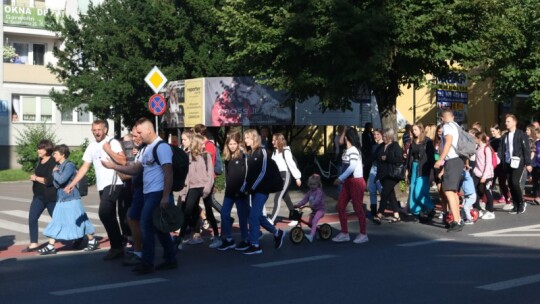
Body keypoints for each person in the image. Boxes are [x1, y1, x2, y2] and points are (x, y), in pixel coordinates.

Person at [102, 118, 177, 274]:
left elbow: (168, 172)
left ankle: (147, 263)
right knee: (159, 227)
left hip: (157, 193)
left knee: (146, 224)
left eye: (140, 132)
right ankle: (170, 259)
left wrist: (165, 196)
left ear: (149, 131)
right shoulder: (146, 149)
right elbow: (136, 170)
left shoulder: (161, 147)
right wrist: (113, 166)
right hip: (147, 193)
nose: (139, 135)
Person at [66, 119, 126, 260]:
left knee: (104, 213)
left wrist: (108, 150)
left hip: (114, 183)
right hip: (102, 185)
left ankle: (117, 246)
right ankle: (117, 247)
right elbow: (84, 167)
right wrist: (73, 183)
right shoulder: (92, 146)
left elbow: (123, 161)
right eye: (94, 130)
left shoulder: (112, 142)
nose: (96, 132)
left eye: (99, 129)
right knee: (109, 215)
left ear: (105, 130)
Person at [38, 145, 98, 255]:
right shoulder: (58, 166)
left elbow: (60, 180)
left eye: (55, 153)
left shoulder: (69, 165)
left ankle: (92, 240)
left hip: (71, 198)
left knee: (82, 220)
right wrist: (56, 174)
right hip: (61, 198)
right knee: (57, 220)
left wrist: (55, 173)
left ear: (63, 155)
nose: (53, 155)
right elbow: (56, 184)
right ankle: (51, 245)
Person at [241, 129, 286, 255]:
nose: (245, 140)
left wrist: (252, 187)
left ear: (254, 138)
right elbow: (248, 174)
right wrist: (244, 187)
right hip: (255, 190)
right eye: (245, 138)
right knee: (258, 216)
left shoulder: (263, 152)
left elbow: (263, 172)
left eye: (247, 138)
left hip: (262, 189)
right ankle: (277, 232)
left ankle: (255, 245)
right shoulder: (251, 153)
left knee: (253, 216)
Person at [177, 135, 217, 248]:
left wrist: (207, 188)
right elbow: (187, 176)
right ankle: (180, 239)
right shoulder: (188, 155)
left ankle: (217, 237)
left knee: (209, 212)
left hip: (205, 187)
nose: (204, 145)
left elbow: (210, 174)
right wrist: (184, 192)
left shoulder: (206, 155)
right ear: (197, 144)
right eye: (202, 143)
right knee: (187, 212)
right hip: (193, 188)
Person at [332, 128, 368, 243]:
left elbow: (352, 167)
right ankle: (344, 233)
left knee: (358, 208)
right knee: (341, 206)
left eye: (343, 135)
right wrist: (343, 179)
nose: (341, 137)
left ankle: (363, 234)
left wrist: (340, 178)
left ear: (347, 137)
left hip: (356, 182)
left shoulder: (353, 150)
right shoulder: (348, 150)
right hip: (348, 182)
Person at [218, 130, 251, 251]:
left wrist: (243, 190)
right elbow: (227, 174)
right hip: (230, 192)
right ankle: (228, 239)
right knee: (224, 213)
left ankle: (245, 239)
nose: (231, 146)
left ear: (238, 143)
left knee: (242, 216)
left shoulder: (243, 156)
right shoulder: (227, 157)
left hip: (241, 192)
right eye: (229, 144)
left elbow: (247, 175)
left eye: (234, 144)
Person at [22, 140, 57, 252]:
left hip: (51, 197)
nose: (38, 150)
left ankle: (78, 237)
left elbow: (50, 180)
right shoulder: (40, 160)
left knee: (59, 220)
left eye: (40, 148)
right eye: (38, 148)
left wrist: (35, 178)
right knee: (32, 218)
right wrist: (36, 177)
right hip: (38, 196)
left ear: (47, 150)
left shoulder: (53, 162)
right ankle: (34, 243)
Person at [434, 109, 465, 232]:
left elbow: (448, 142)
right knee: (452, 191)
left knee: (448, 191)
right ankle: (458, 219)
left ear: (442, 118)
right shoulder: (457, 126)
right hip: (457, 160)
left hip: (452, 160)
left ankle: (456, 221)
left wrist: (440, 160)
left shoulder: (447, 127)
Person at [497, 114, 532, 214]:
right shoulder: (505, 136)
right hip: (507, 162)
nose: (506, 123)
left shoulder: (521, 134)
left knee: (515, 182)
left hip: (518, 162)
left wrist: (528, 163)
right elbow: (501, 150)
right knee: (510, 184)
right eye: (506, 121)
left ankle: (521, 203)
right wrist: (498, 159)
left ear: (514, 122)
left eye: (508, 121)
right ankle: (515, 205)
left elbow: (526, 149)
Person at [405, 123, 435, 220]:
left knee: (419, 192)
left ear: (421, 130)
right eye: (412, 130)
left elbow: (431, 158)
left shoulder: (427, 142)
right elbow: (410, 157)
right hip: (414, 167)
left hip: (423, 168)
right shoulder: (413, 141)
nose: (413, 132)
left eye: (415, 130)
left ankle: (430, 207)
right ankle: (417, 212)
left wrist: (431, 173)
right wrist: (407, 169)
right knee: (413, 190)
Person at [270, 133, 302, 225]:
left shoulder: (286, 152)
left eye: (274, 140)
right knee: (286, 198)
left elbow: (292, 165)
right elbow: (272, 166)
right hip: (278, 177)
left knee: (277, 197)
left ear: (279, 140)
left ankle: (271, 220)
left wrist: (297, 178)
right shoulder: (275, 152)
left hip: (285, 175)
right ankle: (296, 218)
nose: (272, 142)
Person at [373, 128, 403, 224]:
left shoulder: (395, 145)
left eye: (385, 136)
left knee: (384, 193)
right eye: (384, 136)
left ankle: (379, 214)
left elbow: (399, 159)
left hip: (392, 174)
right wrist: (364, 163)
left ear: (390, 137)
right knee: (391, 195)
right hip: (383, 174)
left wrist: (387, 158)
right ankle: (397, 215)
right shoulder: (382, 146)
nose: (384, 138)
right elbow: (374, 156)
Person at [294, 174, 325, 243]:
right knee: (310, 223)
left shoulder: (319, 192)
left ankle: (311, 236)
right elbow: (304, 200)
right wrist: (298, 205)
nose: (312, 186)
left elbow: (318, 200)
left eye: (314, 184)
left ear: (317, 184)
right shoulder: (309, 192)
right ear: (308, 184)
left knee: (314, 221)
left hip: (320, 210)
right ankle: (318, 231)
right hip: (314, 210)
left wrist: (313, 205)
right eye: (311, 184)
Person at [473, 132, 495, 220]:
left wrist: (484, 176)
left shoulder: (487, 148)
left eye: (475, 138)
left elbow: (488, 163)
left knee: (487, 191)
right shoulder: (478, 147)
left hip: (487, 175)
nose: (474, 140)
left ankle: (490, 211)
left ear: (479, 138)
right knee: (475, 190)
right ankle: (478, 209)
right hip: (477, 173)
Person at [490, 124, 512, 207]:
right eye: (491, 131)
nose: (492, 133)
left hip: (500, 165)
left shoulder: (502, 140)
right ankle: (486, 201)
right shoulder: (491, 140)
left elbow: (503, 152)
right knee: (490, 183)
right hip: (492, 164)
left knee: (502, 183)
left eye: (493, 131)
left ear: (498, 130)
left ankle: (508, 201)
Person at [367, 129, 384, 217]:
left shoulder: (384, 145)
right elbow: (371, 157)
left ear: (382, 135)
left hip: (381, 169)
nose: (375, 136)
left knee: (381, 189)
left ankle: (381, 210)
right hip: (373, 168)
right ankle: (373, 210)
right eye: (374, 134)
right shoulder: (374, 146)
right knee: (372, 189)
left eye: (377, 134)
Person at [532, 128, 540, 205]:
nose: (536, 135)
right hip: (535, 165)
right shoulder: (535, 142)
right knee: (535, 182)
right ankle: (537, 197)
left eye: (537, 133)